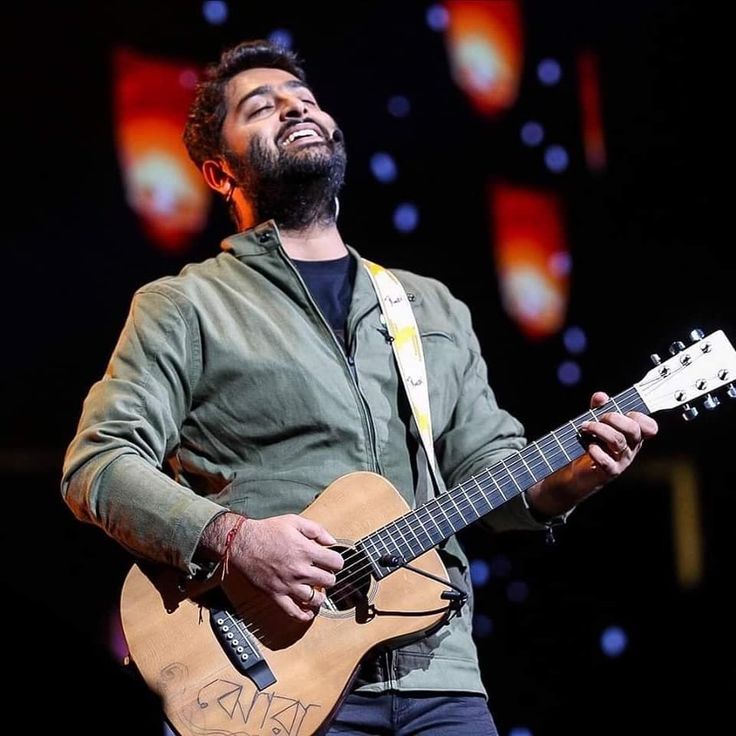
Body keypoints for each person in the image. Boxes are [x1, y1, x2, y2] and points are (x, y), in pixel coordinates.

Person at [61, 39, 658, 736]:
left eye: (305, 100)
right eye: (262, 107)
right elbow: (98, 464)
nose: (294, 108)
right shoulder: (185, 306)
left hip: (442, 680)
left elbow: (496, 478)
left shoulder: (429, 307)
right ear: (219, 173)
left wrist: (579, 475)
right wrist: (235, 539)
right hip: (268, 687)